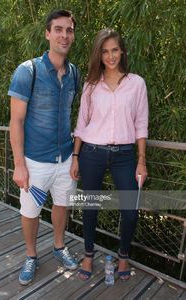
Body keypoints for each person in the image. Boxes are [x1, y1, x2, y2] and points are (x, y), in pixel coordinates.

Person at [8, 9, 80, 285]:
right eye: (59, 29)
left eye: (69, 30)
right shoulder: (28, 71)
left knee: (62, 205)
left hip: (64, 159)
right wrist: (19, 165)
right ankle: (30, 255)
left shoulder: (74, 72)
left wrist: (75, 156)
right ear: (47, 34)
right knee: (31, 212)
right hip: (35, 161)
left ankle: (59, 247)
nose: (64, 35)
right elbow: (16, 121)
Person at [70, 28, 148, 281]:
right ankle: (89, 254)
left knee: (130, 210)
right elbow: (82, 124)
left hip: (125, 155)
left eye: (115, 50)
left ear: (122, 51)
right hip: (92, 151)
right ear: (99, 55)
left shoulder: (136, 83)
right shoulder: (92, 86)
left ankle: (123, 257)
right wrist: (76, 157)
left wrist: (141, 160)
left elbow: (141, 124)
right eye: (105, 51)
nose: (110, 56)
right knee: (90, 206)